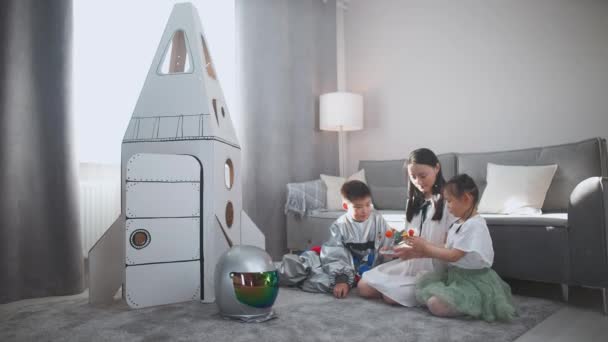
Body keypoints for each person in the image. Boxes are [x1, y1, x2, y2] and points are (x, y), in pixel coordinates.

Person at [409, 174, 516, 322]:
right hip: (456, 277)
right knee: (423, 283)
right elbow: (448, 247)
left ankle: (474, 304)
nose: (447, 206)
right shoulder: (459, 222)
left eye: (450, 201)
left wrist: (426, 249)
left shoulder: (475, 225)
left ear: (466, 199)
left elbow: (454, 255)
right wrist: (425, 245)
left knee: (435, 304)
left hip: (474, 281)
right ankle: (457, 303)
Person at [358, 148, 457, 306]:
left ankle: (427, 289)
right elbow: (409, 237)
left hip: (433, 268)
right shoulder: (412, 202)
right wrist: (397, 249)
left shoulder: (449, 202)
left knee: (391, 296)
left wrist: (422, 249)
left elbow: (451, 248)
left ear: (437, 168)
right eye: (413, 177)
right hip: (410, 264)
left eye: (423, 176)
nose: (418, 181)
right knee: (363, 287)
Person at [275, 180, 393, 299]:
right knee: (303, 263)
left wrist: (389, 255)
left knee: (322, 282)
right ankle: (272, 275)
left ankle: (301, 278)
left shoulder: (378, 219)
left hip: (357, 269)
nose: (365, 210)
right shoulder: (340, 225)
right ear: (346, 206)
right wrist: (341, 279)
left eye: (368, 204)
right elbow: (334, 253)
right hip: (335, 261)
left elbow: (388, 243)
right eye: (358, 207)